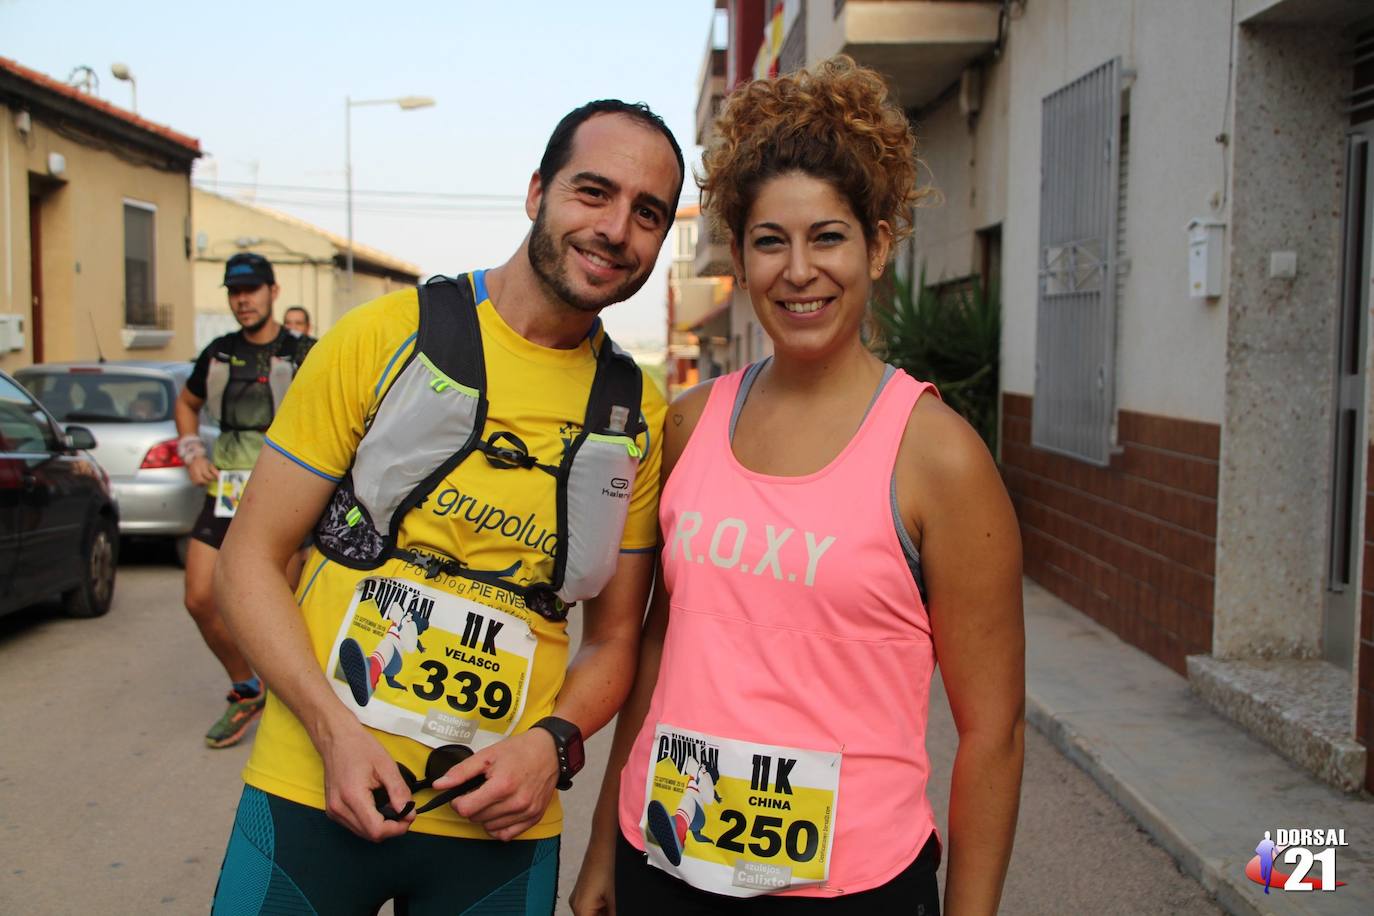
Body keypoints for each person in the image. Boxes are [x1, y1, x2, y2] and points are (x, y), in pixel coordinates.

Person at [572, 57, 1025, 915]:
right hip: (662, 861)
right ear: (740, 261)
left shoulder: (939, 457)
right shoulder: (691, 422)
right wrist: (604, 840)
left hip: (852, 887)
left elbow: (992, 734)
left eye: (828, 237)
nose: (799, 270)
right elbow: (659, 655)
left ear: (877, 246)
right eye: (770, 242)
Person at [210, 99, 684, 914]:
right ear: (537, 191)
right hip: (313, 786)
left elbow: (613, 640)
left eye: (648, 213)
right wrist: (333, 731)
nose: (616, 228)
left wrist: (554, 746)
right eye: (593, 191)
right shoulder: (381, 336)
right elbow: (247, 559)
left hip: (502, 827)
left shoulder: (636, 412)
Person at [177, 252, 315, 749]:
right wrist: (191, 451)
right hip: (228, 489)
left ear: (272, 291)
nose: (242, 300)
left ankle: (293, 701)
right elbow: (187, 402)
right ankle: (247, 687)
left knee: (284, 605)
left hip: (286, 491)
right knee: (199, 597)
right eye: (234, 292)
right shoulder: (216, 352)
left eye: (251, 290)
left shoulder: (304, 351)